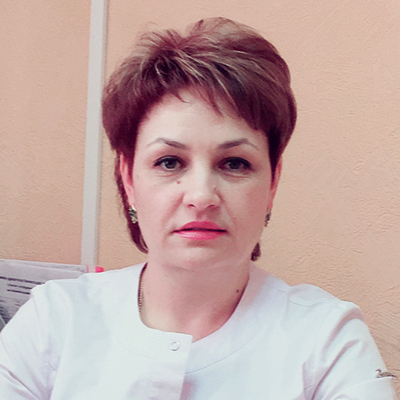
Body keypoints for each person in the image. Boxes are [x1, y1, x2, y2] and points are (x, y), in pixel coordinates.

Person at [0, 17, 396, 399]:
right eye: (169, 162)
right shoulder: (54, 319)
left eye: (235, 163)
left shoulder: (328, 338)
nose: (202, 196)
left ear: (273, 182)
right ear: (128, 178)